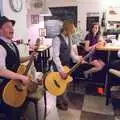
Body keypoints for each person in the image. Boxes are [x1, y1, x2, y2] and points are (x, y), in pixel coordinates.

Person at [0, 16, 35, 120]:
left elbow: (15, 59)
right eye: (7, 26)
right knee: (10, 110)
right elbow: (1, 70)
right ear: (0, 30)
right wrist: (21, 77)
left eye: (12, 26)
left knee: (17, 105)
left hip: (15, 82)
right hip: (5, 85)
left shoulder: (11, 43)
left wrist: (29, 57)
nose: (12, 29)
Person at [52, 20, 86, 110]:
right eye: (71, 31)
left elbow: (71, 53)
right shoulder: (57, 39)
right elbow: (55, 57)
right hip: (59, 67)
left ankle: (63, 99)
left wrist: (78, 58)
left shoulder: (69, 38)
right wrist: (61, 70)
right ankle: (59, 102)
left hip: (67, 66)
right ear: (66, 29)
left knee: (65, 84)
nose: (72, 34)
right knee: (59, 85)